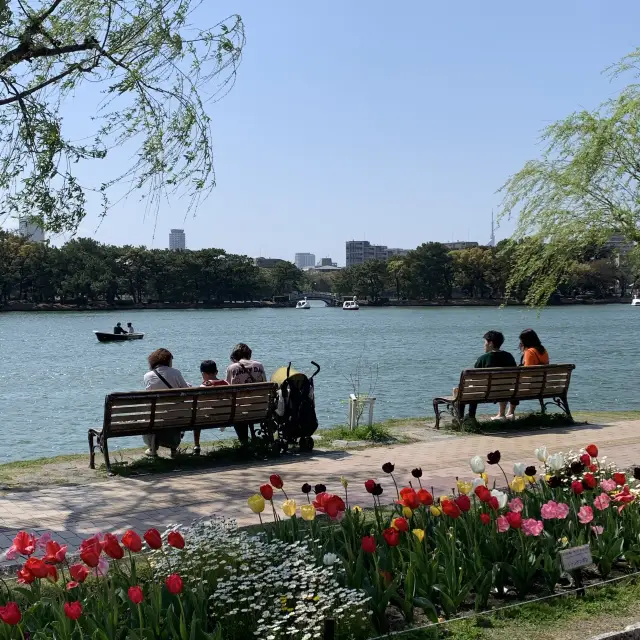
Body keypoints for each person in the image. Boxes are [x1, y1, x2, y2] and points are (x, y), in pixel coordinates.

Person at [142, 348, 190, 457]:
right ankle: (173, 448)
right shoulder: (176, 373)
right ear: (168, 360)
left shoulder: (147, 376)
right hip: (176, 416)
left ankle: (152, 447)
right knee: (176, 412)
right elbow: (187, 391)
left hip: (156, 416)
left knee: (152, 415)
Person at [464, 330, 517, 422]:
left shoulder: (483, 359)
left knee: (471, 388)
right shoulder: (509, 356)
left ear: (491, 343)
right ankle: (502, 414)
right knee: (503, 385)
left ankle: (471, 417)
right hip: (506, 391)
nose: (484, 345)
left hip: (487, 392)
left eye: (485, 342)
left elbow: (474, 378)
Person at [501, 329, 550, 420]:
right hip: (543, 385)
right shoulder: (543, 350)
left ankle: (509, 412)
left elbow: (527, 372)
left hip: (531, 386)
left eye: (521, 340)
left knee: (512, 386)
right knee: (516, 385)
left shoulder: (529, 352)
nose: (520, 343)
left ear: (526, 341)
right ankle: (509, 412)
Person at [225, 343, 266, 445]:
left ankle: (244, 443)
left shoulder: (232, 368)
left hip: (241, 410)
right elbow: (265, 384)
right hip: (260, 408)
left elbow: (227, 390)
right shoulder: (259, 365)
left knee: (238, 412)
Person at [193, 360, 229, 455]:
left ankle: (196, 445)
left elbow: (200, 406)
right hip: (228, 416)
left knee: (196, 416)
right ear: (216, 372)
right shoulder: (226, 384)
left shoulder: (203, 386)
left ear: (203, 373)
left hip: (209, 418)